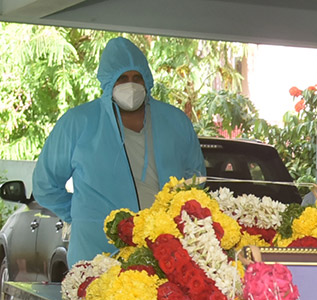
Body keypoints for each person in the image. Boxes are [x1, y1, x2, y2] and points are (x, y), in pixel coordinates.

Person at [32, 37, 205, 265]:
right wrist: (86, 217)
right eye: (122, 78)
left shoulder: (175, 121)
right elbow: (45, 185)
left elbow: (196, 179)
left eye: (137, 77)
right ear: (107, 80)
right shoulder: (78, 122)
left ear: (147, 80)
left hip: (164, 253)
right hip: (97, 253)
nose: (130, 85)